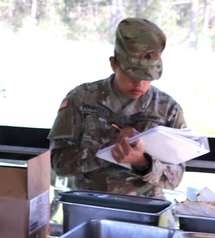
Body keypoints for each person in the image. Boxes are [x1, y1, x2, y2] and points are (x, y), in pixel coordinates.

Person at [49, 17, 187, 195]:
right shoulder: (81, 99)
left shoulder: (168, 109)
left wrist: (141, 162)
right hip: (91, 204)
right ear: (113, 64)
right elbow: (59, 164)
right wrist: (106, 151)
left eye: (147, 77)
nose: (139, 84)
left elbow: (175, 178)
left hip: (145, 210)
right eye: (131, 75)